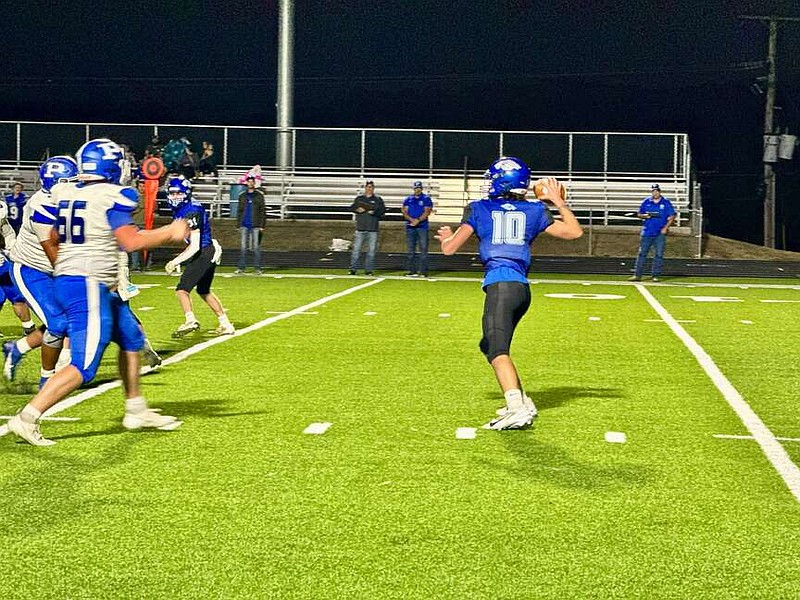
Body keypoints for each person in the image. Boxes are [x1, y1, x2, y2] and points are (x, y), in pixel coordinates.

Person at [1, 138, 189, 446]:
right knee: (83, 366)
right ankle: (27, 417)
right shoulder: (113, 194)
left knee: (130, 336)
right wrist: (171, 231)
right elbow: (130, 241)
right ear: (112, 166)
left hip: (83, 279)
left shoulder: (65, 190)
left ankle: (136, 409)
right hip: (84, 283)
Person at [435, 157, 583, 430]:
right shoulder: (535, 210)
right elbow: (574, 232)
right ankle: (522, 401)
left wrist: (446, 236)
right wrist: (559, 202)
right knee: (488, 344)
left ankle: (516, 408)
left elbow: (449, 249)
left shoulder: (479, 208)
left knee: (497, 348)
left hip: (500, 285)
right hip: (520, 289)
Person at [5, 156, 78, 388]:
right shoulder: (41, 206)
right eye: (70, 180)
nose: (74, 184)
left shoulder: (68, 198)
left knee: (72, 318)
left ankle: (17, 348)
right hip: (31, 269)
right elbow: (52, 250)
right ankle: (47, 378)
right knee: (58, 323)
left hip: (53, 268)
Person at [164, 176, 234, 337]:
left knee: (182, 290)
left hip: (204, 252)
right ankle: (226, 324)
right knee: (203, 290)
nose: (175, 196)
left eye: (178, 193)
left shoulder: (191, 211)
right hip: (207, 250)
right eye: (172, 193)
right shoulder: (185, 208)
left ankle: (190, 320)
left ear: (186, 193)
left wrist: (176, 261)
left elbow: (195, 245)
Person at [628, 183, 676, 282]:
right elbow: (639, 214)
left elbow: (672, 216)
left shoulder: (666, 202)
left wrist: (665, 228)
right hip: (647, 232)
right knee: (642, 253)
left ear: (659, 191)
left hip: (659, 233)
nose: (655, 193)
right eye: (653, 191)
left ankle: (656, 275)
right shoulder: (646, 201)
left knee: (658, 254)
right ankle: (637, 275)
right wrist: (645, 216)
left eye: (657, 191)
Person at [348, 180, 385, 275]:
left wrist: (374, 213)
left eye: (371, 187)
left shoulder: (378, 200)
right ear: (365, 188)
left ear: (373, 188)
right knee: (356, 250)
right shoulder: (359, 199)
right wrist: (357, 210)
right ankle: (353, 269)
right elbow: (351, 208)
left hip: (372, 229)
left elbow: (382, 212)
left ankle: (368, 270)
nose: (369, 189)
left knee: (371, 251)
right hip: (360, 228)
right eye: (368, 187)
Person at [401, 180, 434, 277]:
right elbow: (404, 211)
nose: (417, 190)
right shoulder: (408, 199)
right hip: (410, 227)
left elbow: (427, 211)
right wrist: (412, 220)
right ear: (414, 189)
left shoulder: (426, 199)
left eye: (419, 188)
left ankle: (423, 271)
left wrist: (418, 220)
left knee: (423, 250)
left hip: (422, 227)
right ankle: (412, 271)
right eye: (416, 188)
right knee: (411, 251)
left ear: (421, 189)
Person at [235, 175, 266, 274]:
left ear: (254, 183)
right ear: (247, 183)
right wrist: (238, 224)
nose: (251, 183)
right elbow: (239, 211)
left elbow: (262, 211)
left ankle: (257, 268)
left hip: (255, 224)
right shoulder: (242, 195)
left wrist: (262, 225)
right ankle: (241, 268)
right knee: (243, 247)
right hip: (244, 224)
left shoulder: (259, 196)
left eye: (252, 182)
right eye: (249, 182)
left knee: (256, 247)